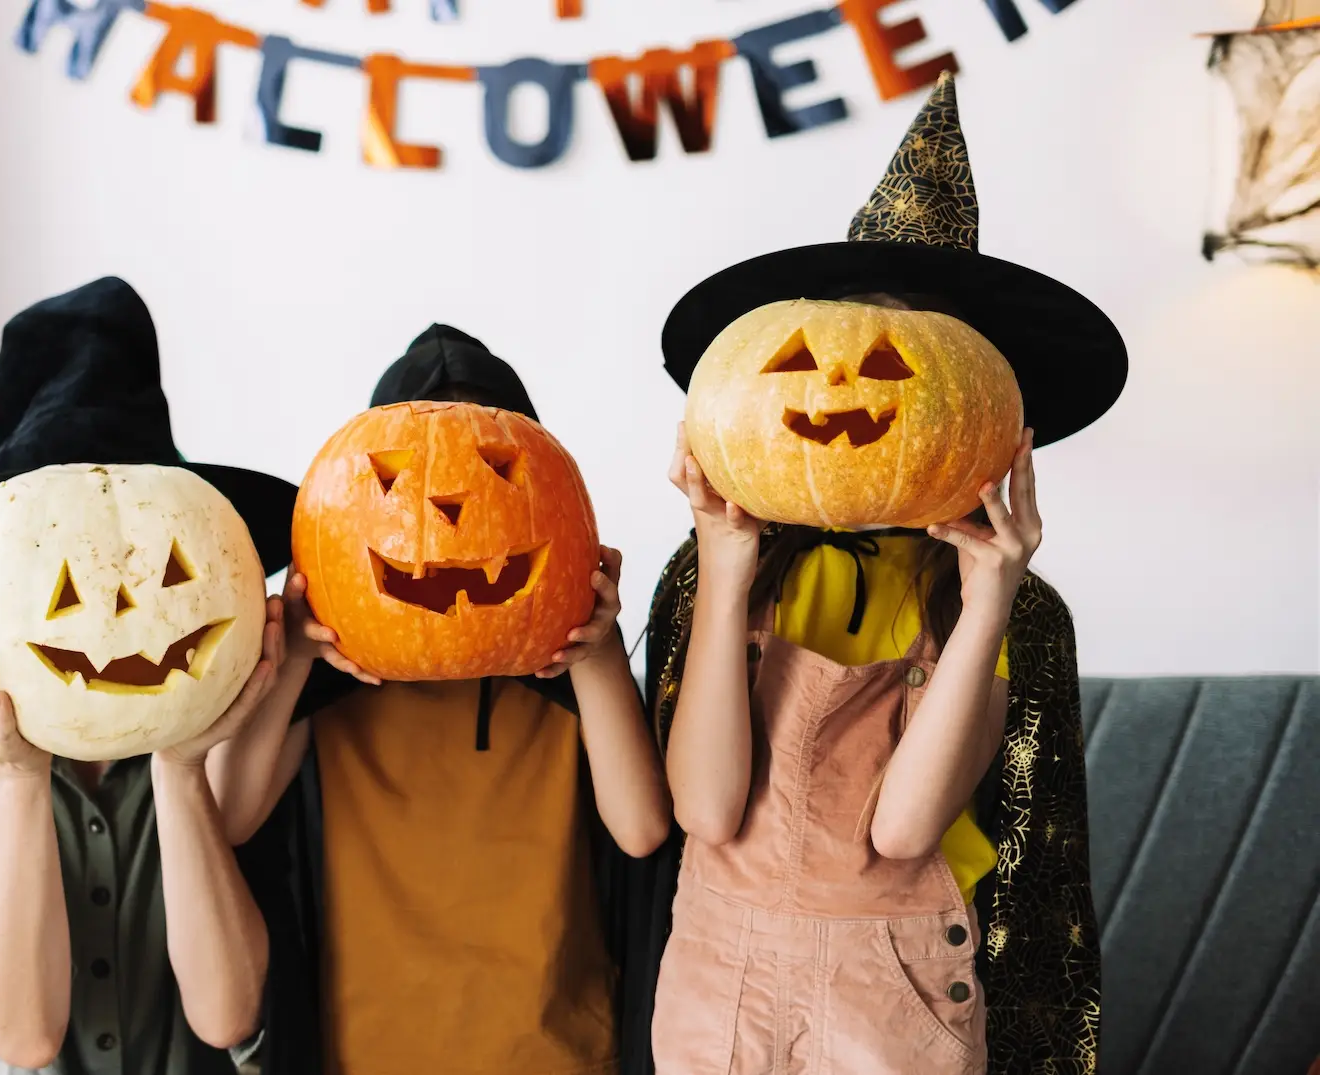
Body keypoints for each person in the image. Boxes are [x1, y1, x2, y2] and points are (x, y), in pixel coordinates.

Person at [644, 74, 1125, 1074]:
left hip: (896, 991)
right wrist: (725, 566)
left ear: (983, 408)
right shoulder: (719, 570)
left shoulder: (1012, 610)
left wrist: (988, 604)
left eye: (903, 366)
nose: (841, 386)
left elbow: (904, 831)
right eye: (808, 355)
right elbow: (705, 811)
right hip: (717, 981)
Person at [0, 277, 300, 1075]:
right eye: (59, 581)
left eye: (165, 568)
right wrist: (15, 772)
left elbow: (229, 1015)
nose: (116, 614)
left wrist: (182, 762)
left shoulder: (241, 718)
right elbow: (22, 1035)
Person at [213, 324, 672, 1075]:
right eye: (395, 480)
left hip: (558, 1053)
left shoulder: (566, 674)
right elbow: (228, 816)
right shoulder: (329, 683)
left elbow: (642, 829)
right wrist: (293, 653)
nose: (450, 511)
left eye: (497, 470)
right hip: (371, 1054)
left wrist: (595, 647)